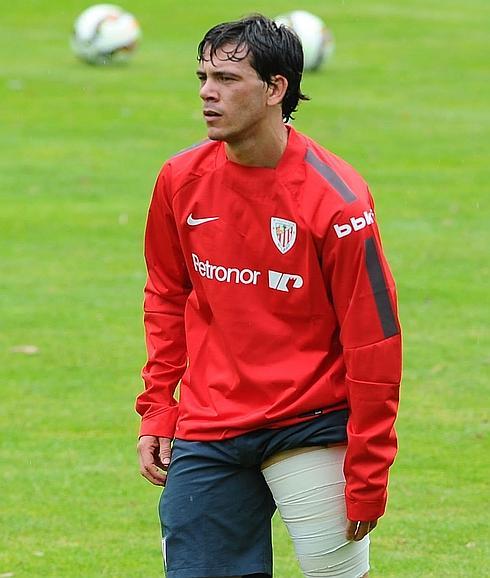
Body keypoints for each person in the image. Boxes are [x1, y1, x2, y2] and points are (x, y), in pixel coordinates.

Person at [136, 14, 401, 578]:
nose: (209, 92)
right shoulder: (179, 179)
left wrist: (370, 467)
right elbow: (166, 294)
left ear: (276, 88)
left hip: (311, 421)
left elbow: (373, 338)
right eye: (203, 77)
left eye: (229, 79)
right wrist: (160, 406)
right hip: (210, 426)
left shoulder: (339, 200)